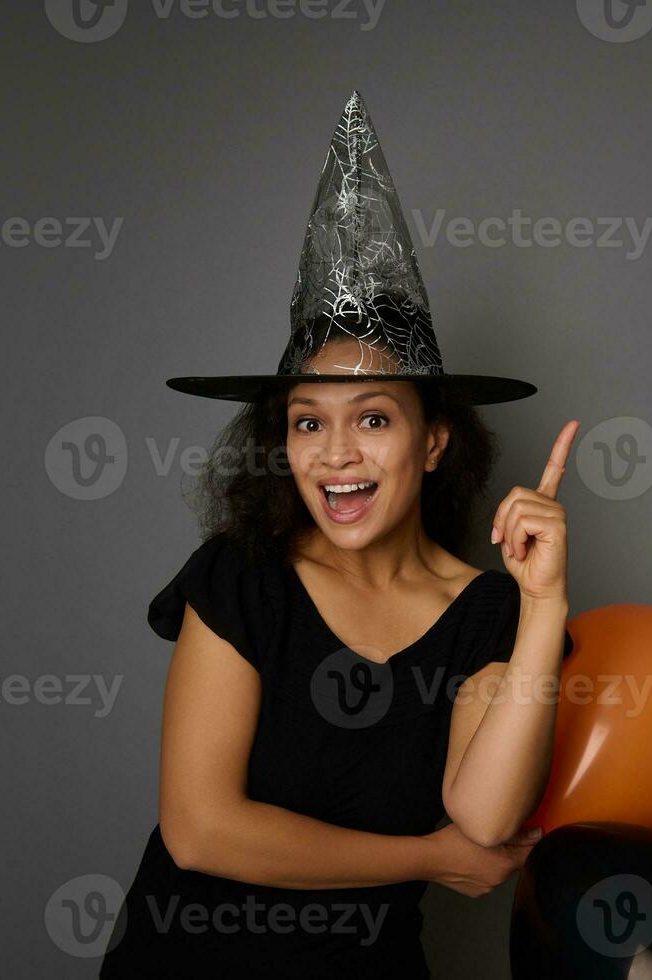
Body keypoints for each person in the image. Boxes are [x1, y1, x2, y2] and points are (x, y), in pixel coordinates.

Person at [98, 91, 580, 978]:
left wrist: (542, 604)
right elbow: (201, 831)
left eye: (372, 420)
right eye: (308, 423)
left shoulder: (483, 615)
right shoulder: (241, 580)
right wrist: (426, 860)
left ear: (433, 441)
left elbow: (481, 817)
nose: (334, 454)